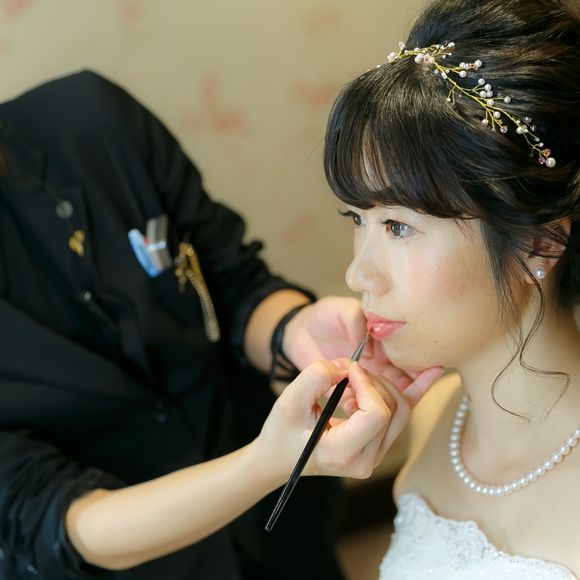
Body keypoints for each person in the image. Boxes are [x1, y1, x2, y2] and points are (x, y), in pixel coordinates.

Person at [0, 70, 444, 579]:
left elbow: (235, 283)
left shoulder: (89, 117)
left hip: (281, 529)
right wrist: (267, 463)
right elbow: (58, 522)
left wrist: (293, 329)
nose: (357, 274)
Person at [323, 0, 580, 577]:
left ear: (540, 244)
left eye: (397, 226)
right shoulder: (437, 415)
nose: (358, 275)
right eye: (357, 219)